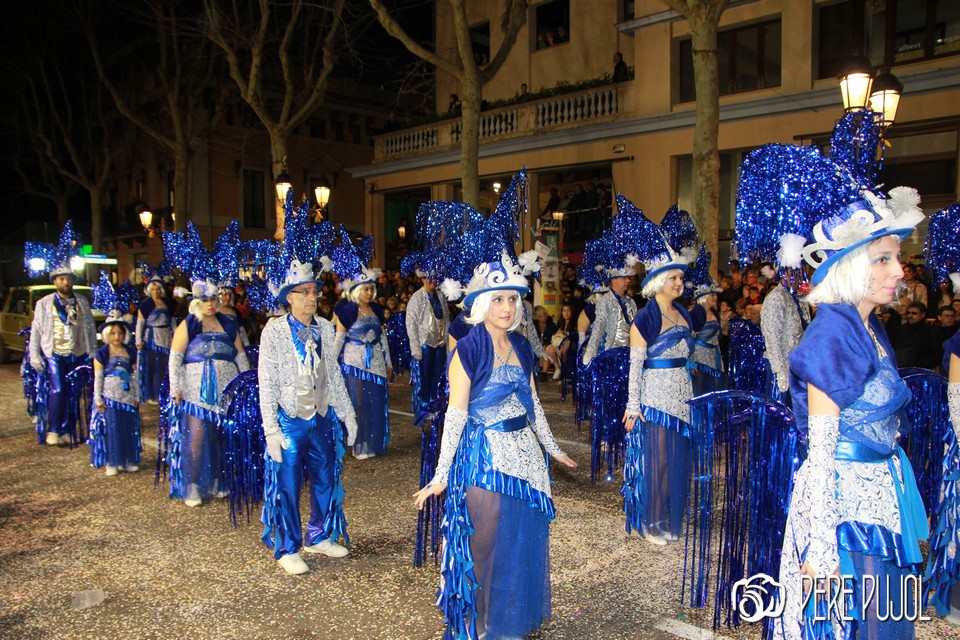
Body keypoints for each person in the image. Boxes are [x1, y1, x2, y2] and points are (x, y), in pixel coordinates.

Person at [774, 186, 927, 638]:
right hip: (845, 511)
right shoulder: (832, 336)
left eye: (896, 257)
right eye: (883, 259)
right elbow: (821, 455)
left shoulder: (868, 326)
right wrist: (822, 551)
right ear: (851, 265)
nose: (899, 270)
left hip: (876, 497)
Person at [413, 252, 576, 639]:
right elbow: (455, 416)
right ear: (483, 302)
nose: (507, 307)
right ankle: (475, 621)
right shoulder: (469, 349)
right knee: (481, 542)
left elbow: (532, 403)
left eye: (513, 298)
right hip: (483, 456)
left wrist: (553, 448)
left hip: (525, 460)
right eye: (499, 298)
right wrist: (441, 475)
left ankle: (501, 618)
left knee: (513, 543)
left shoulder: (521, 345)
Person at [259, 258, 359, 575]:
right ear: (289, 297)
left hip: (322, 416)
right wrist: (271, 429)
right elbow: (267, 382)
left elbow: (334, 376)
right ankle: (287, 547)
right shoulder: (274, 331)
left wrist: (347, 413)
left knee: (326, 478)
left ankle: (318, 536)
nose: (311, 297)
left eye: (314, 291)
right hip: (290, 419)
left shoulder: (326, 328)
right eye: (303, 292)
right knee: (287, 485)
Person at [622, 245, 693, 545]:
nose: (679, 283)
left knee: (676, 462)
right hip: (655, 399)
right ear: (657, 281)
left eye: (680, 278)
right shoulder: (645, 318)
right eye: (672, 278)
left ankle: (665, 518)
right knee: (658, 461)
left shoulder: (684, 314)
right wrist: (632, 405)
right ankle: (650, 522)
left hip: (682, 398)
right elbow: (635, 366)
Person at [168, 278, 249, 507]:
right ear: (196, 302)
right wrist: (176, 388)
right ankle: (193, 484)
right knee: (196, 437)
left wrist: (246, 383)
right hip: (195, 392)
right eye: (205, 300)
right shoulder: (189, 324)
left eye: (213, 299)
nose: (210, 304)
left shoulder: (229, 323)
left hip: (226, 390)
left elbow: (241, 356)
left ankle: (218, 480)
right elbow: (175, 358)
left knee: (221, 436)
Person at [27, 222, 98, 446]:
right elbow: (36, 330)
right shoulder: (44, 303)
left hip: (77, 354)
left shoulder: (82, 301)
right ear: (55, 281)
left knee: (74, 393)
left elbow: (89, 328)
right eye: (61, 279)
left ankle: (68, 429)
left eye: (68, 278)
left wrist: (92, 351)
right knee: (57, 390)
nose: (65, 282)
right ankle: (54, 429)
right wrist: (35, 355)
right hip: (55, 354)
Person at [332, 234, 392, 460]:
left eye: (371, 288)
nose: (369, 292)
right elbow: (338, 339)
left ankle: (374, 442)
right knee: (358, 405)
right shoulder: (347, 310)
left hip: (375, 363)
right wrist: (330, 364)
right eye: (365, 288)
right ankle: (359, 443)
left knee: (376, 403)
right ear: (357, 289)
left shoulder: (376, 310)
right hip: (354, 364)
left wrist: (388, 363)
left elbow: (383, 339)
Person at [91, 312, 141, 476]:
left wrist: (136, 396)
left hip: (127, 397)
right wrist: (98, 399)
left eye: (120, 333)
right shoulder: (101, 354)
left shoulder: (130, 352)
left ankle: (128, 459)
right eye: (113, 333)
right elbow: (98, 378)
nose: (117, 336)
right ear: (107, 334)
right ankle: (112, 461)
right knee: (112, 429)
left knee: (127, 428)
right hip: (110, 398)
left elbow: (135, 376)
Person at [405, 257, 450, 417]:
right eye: (428, 278)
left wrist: (447, 342)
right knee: (425, 377)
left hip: (440, 344)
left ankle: (436, 406)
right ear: (423, 279)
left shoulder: (441, 296)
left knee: (438, 377)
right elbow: (411, 323)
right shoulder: (417, 298)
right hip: (425, 344)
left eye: (434, 278)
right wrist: (415, 347)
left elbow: (446, 319)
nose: (432, 281)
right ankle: (425, 407)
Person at [686, 247, 725, 395]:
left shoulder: (714, 313)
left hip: (713, 357)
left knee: (713, 388)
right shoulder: (697, 313)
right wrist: (690, 361)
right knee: (701, 388)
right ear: (704, 297)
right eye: (712, 295)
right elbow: (688, 338)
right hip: (699, 359)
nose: (716, 298)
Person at [136, 276, 174, 404]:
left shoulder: (167, 303)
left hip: (166, 337)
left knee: (164, 366)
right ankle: (152, 395)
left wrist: (175, 334)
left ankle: (164, 392)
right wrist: (138, 340)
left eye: (158, 289)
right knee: (152, 367)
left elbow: (172, 321)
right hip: (151, 339)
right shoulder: (145, 305)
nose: (156, 292)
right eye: (153, 289)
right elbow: (140, 324)